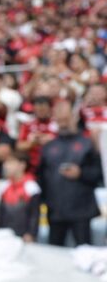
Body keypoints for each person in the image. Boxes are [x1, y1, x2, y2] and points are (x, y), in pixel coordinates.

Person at [37, 100, 104, 247]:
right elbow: (41, 177)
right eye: (59, 119)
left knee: (84, 252)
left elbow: (99, 176)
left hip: (81, 210)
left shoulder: (87, 143)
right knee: (54, 253)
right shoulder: (49, 146)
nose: (62, 123)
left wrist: (80, 174)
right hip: (56, 210)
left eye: (65, 118)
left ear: (74, 117)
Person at [0, 150, 41, 242]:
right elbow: (0, 213)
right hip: (5, 234)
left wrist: (31, 233)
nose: (6, 166)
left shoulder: (31, 187)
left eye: (10, 162)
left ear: (22, 165)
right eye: (6, 162)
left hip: (23, 235)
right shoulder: (5, 185)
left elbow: (35, 214)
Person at [16, 96, 58, 171]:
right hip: (33, 165)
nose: (41, 112)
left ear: (50, 109)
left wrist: (51, 141)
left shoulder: (57, 124)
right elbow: (19, 146)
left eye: (43, 110)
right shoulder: (28, 125)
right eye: (38, 110)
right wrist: (33, 143)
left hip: (53, 163)